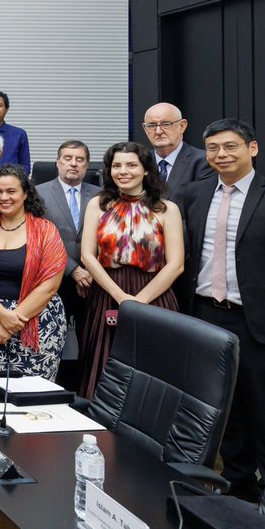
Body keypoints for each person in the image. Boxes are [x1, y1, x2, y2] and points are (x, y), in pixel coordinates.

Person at [180, 119, 265, 501]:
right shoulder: (193, 194)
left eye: (230, 147)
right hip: (206, 316)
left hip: (258, 321)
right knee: (226, 410)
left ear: (251, 148)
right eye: (212, 149)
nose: (221, 155)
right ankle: (239, 487)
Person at [78, 142, 184, 398]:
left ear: (146, 170)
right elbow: (87, 256)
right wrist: (121, 297)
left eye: (131, 165)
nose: (123, 171)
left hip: (154, 295)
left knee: (153, 367)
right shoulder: (98, 205)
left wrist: (139, 302)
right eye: (116, 166)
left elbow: (176, 264)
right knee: (104, 364)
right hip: (107, 293)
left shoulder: (167, 209)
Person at [0, 166, 68, 380]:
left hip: (38, 322)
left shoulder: (45, 230)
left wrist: (10, 323)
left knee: (30, 399)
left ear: (25, 193)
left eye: (11, 191)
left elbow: (49, 286)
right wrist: (2, 316)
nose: (4, 197)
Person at [34, 141, 100, 389]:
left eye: (80, 159)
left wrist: (89, 272)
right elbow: (41, 239)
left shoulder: (100, 195)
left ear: (86, 165)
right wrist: (73, 270)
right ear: (58, 163)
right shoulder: (38, 192)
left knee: (91, 342)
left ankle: (85, 390)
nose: (74, 163)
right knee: (51, 342)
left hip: (93, 282)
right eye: (68, 158)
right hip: (54, 281)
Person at [141, 101, 214, 201]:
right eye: (152, 126)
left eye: (166, 124)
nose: (158, 131)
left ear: (182, 126)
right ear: (145, 129)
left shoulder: (203, 161)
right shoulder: (141, 161)